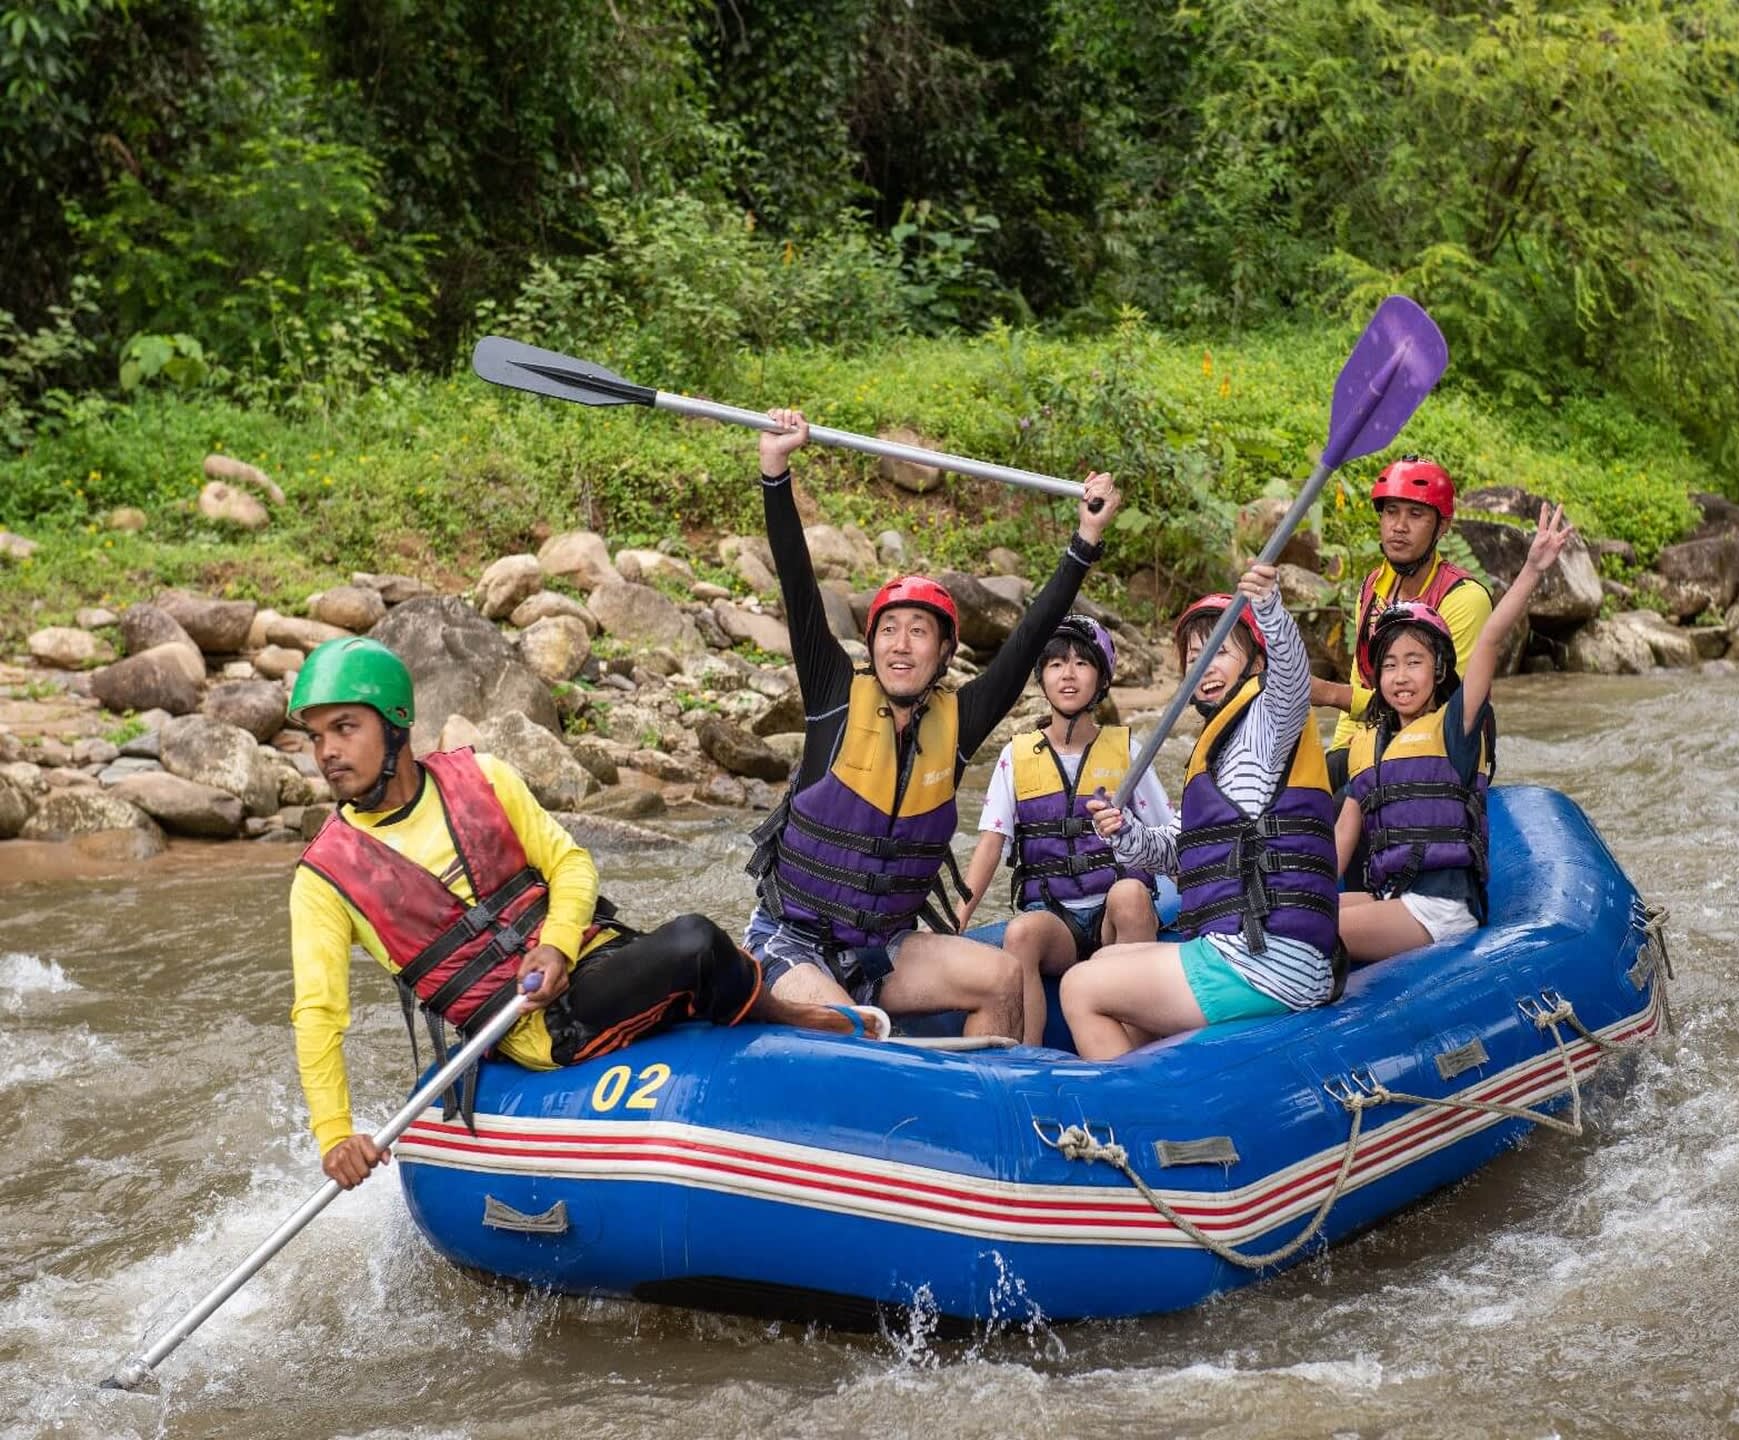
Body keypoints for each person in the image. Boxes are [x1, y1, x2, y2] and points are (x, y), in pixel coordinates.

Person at [288, 638, 877, 1192]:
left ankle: (769, 1016)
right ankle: (793, 1018)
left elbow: (569, 864)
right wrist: (335, 1133)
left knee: (692, 951)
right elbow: (318, 1012)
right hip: (536, 1025)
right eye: (316, 737)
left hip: (593, 959)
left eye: (345, 727)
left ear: (396, 725)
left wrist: (556, 944)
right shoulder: (324, 877)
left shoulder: (483, 777)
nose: (327, 752)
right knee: (695, 940)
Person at [742, 410, 1122, 1046]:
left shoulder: (959, 721)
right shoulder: (834, 695)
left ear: (943, 652)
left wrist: (1086, 539)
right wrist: (775, 471)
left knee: (1002, 976)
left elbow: (1028, 639)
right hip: (793, 942)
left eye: (919, 632)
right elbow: (798, 585)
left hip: (883, 949)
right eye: (889, 630)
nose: (901, 644)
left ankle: (992, 1099)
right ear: (872, 645)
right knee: (858, 1030)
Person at [1065, 564, 1342, 1061]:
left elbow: (1293, 677)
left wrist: (1269, 607)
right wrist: (1123, 832)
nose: (1205, 666)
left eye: (1220, 652)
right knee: (1112, 959)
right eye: (1195, 658)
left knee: (1079, 986)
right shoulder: (1213, 755)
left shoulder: (1270, 721)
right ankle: (1147, 1076)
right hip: (1240, 951)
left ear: (1255, 662)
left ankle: (1126, 1099)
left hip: (1266, 960)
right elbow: (1173, 852)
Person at [1333, 501, 1574, 963]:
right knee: (1300, 918)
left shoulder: (1454, 725)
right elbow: (1341, 843)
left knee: (1313, 929)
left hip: (1439, 907)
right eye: (1389, 665)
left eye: (1414, 662)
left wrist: (1532, 569)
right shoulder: (1364, 747)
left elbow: (1490, 638)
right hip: (1391, 899)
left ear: (1439, 669)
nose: (1401, 676)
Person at [957, 614, 1170, 983]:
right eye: (1056, 664)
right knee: (1020, 933)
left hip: (1115, 913)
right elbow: (991, 846)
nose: (1068, 674)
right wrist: (957, 920)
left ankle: (1136, 1014)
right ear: (1041, 679)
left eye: (1082, 663)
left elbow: (1170, 835)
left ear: (1102, 679)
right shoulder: (1015, 757)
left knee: (1131, 894)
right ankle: (1029, 1025)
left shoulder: (1129, 752)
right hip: (1053, 917)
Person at [1311, 457, 1492, 770]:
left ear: (1442, 526)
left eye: (1416, 514)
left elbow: (1444, 711)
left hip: (1439, 756)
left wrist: (1331, 694)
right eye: (1391, 511)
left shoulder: (1464, 599)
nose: (1399, 526)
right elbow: (1361, 679)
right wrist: (1338, 756)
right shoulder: (1373, 588)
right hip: (1374, 743)